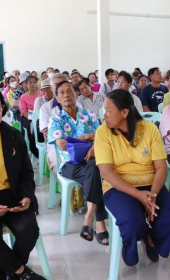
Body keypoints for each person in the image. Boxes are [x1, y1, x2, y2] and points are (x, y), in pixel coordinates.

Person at [95, 89, 170, 266]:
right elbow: (106, 173)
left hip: (151, 185)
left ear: (125, 112)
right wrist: (139, 195)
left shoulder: (149, 129)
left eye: (108, 111)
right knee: (132, 222)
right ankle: (131, 246)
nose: (105, 115)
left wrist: (152, 196)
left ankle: (151, 238)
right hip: (118, 187)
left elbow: (160, 167)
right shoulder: (103, 132)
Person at [0, 86, 45, 280]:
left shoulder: (14, 136)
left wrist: (26, 196)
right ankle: (21, 273)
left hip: (12, 196)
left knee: (30, 231)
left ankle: (0, 269)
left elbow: (26, 172)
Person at [48, 81, 109, 246]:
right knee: (96, 172)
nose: (66, 95)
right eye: (62, 93)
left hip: (91, 158)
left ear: (76, 94)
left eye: (70, 91)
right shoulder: (56, 118)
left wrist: (92, 145)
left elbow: (101, 136)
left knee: (94, 168)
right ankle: (98, 221)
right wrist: (87, 137)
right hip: (69, 164)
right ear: (57, 98)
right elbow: (61, 144)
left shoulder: (88, 114)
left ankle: (89, 219)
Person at [19, 76, 41, 158]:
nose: (32, 84)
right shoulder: (23, 97)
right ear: (26, 85)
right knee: (32, 125)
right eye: (30, 82)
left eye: (34, 82)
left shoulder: (41, 95)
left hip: (40, 117)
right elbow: (24, 112)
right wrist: (33, 118)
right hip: (27, 117)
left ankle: (42, 145)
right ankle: (34, 147)